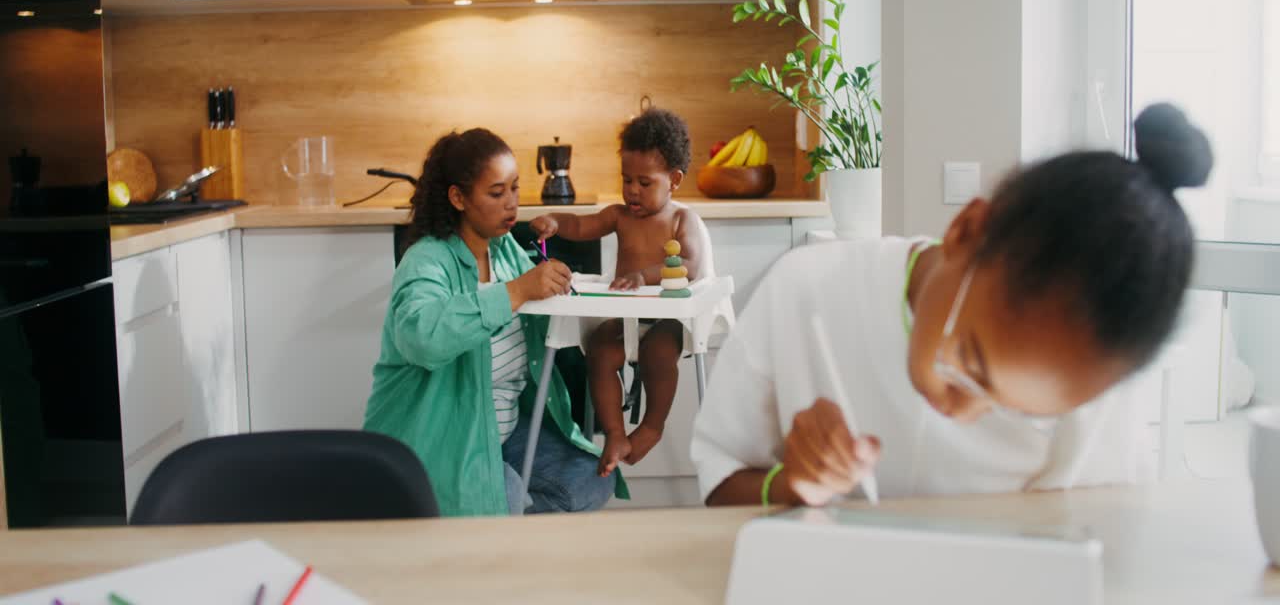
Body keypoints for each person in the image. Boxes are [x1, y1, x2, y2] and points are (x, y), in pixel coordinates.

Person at [692, 104, 1214, 507]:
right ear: (966, 231)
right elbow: (718, 482)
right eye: (967, 363)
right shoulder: (806, 291)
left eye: (1017, 412)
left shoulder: (1093, 388)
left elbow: (1095, 547)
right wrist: (793, 483)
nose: (959, 410)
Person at [363, 128, 625, 516]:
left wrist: (586, 298)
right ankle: (493, 511)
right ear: (458, 198)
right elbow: (420, 336)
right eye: (496, 193)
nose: (511, 205)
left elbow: (544, 315)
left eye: (515, 189)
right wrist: (516, 292)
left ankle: (499, 516)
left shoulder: (504, 251)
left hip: (502, 430)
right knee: (503, 496)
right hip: (443, 438)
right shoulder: (427, 259)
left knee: (592, 479)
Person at [530, 108, 713, 477]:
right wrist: (556, 222)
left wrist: (645, 275)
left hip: (666, 318)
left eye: (644, 183)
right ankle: (615, 432)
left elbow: (691, 264)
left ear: (674, 180)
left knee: (659, 352)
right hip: (624, 317)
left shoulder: (682, 220)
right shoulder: (619, 216)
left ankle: (650, 427)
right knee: (599, 352)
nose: (632, 190)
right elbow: (582, 226)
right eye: (626, 179)